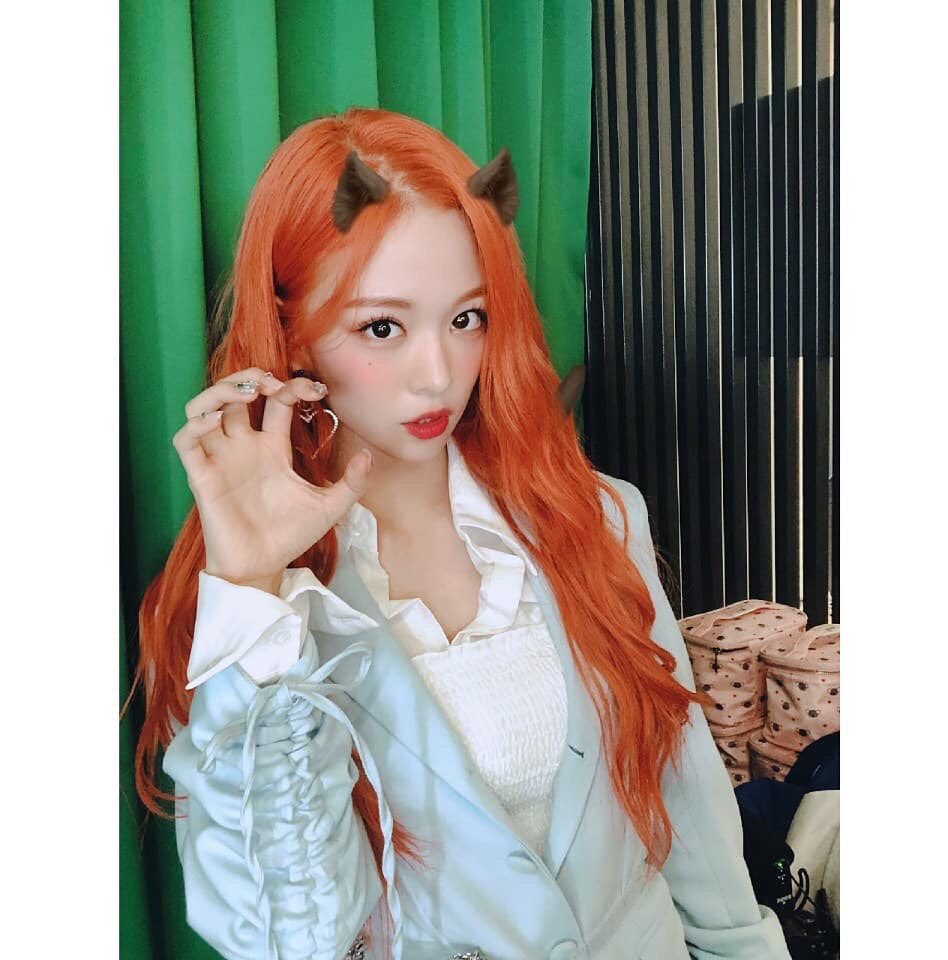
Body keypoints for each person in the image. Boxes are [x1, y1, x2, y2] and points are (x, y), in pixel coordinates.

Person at [130, 108, 790, 960]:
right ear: (293, 333)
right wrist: (254, 587)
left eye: (466, 318)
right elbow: (291, 939)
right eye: (381, 327)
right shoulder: (258, 606)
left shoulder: (596, 518)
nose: (439, 374)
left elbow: (688, 807)